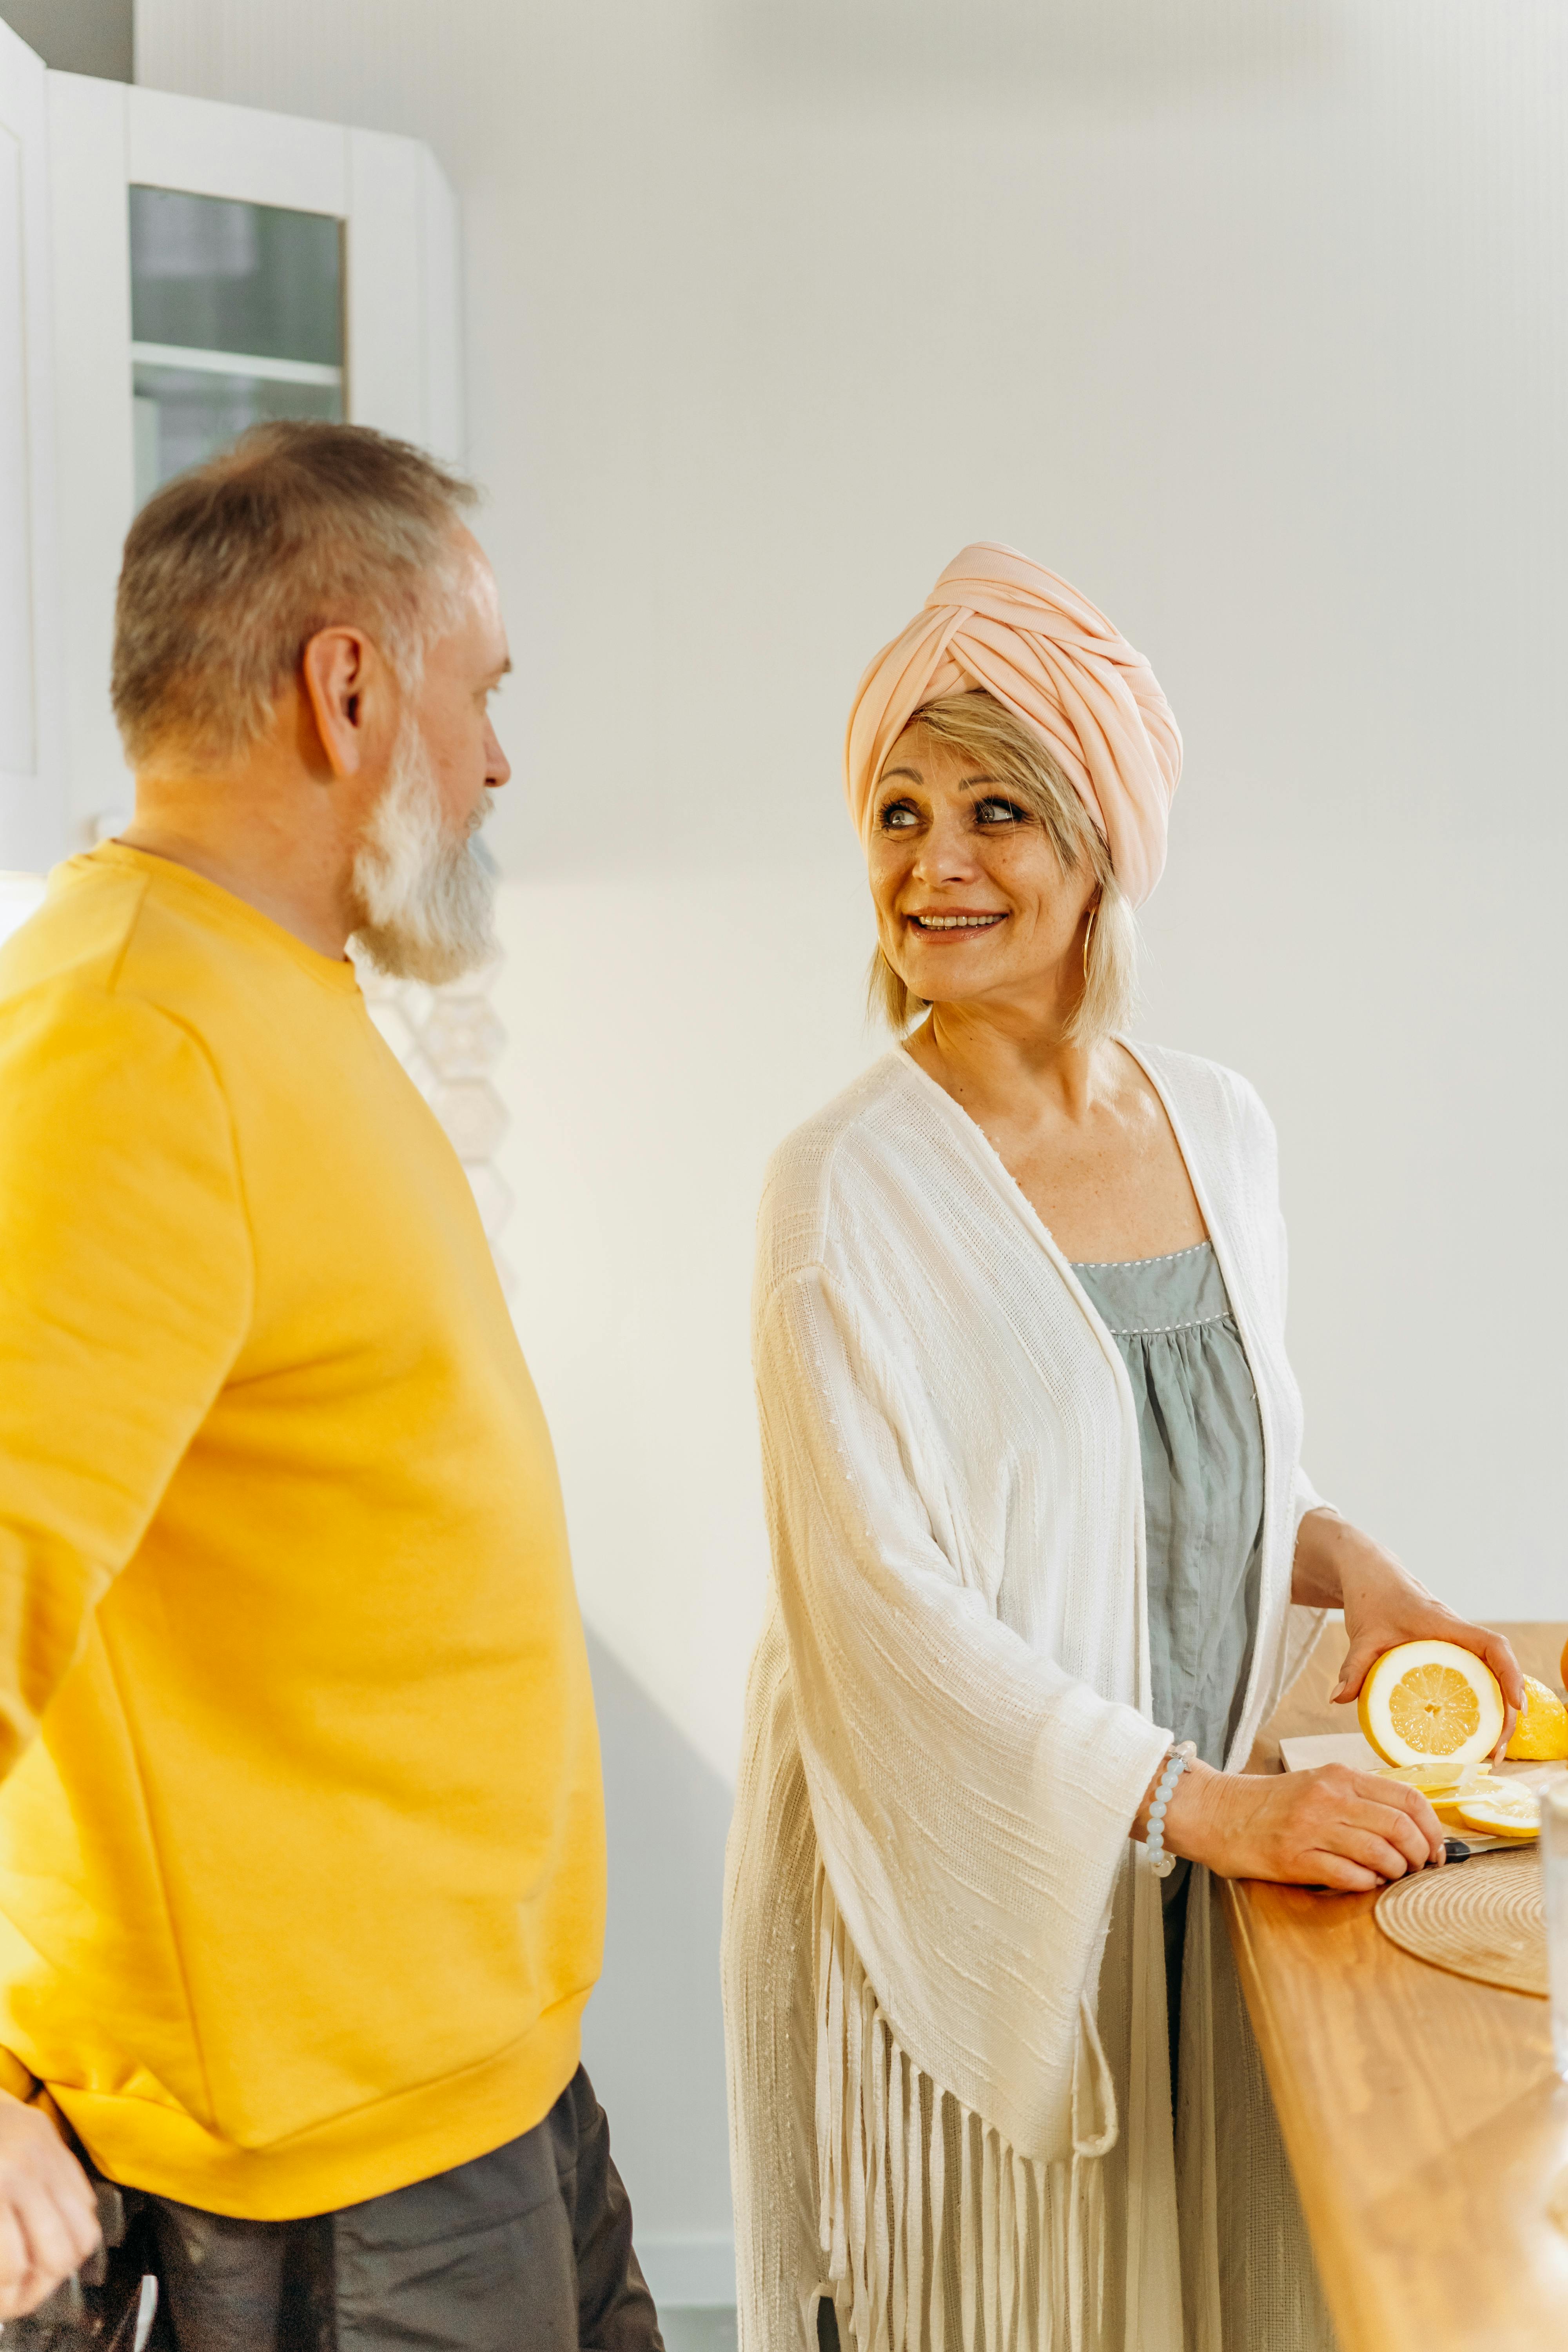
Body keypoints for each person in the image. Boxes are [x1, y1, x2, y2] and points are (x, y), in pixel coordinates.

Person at [721, 543, 1522, 2352]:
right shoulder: (843, 1194)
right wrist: (1206, 1807)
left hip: (1199, 1870)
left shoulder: (1215, 1127)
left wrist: (1368, 1585)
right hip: (976, 1887)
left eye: (998, 807)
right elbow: (882, 1615)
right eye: (900, 810)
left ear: (1103, 849)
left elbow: (1197, 1461)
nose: (935, 864)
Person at [0, 422, 662, 2351]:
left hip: (471, 2085)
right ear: (350, 686)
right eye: (485, 697)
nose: (499, 761)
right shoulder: (131, 1048)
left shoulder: (264, 986)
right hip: (317, 2178)